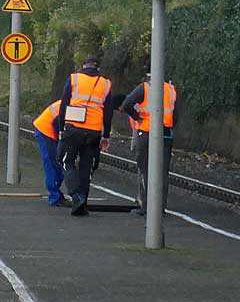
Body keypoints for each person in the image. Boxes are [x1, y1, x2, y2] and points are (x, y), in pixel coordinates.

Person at [56, 55, 118, 217]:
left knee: (65, 160)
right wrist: (106, 135)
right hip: (94, 131)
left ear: (84, 65)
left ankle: (76, 196)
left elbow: (64, 105)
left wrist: (61, 128)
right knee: (87, 166)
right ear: (98, 68)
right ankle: (83, 202)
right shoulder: (105, 84)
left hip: (73, 128)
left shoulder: (74, 79)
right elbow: (108, 113)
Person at [120, 68, 180, 217]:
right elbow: (176, 114)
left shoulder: (145, 88)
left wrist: (138, 118)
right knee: (162, 171)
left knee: (145, 169)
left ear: (149, 75)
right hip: (166, 132)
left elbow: (127, 104)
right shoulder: (171, 90)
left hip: (147, 131)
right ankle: (160, 207)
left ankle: (146, 206)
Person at [32, 99, 66, 207]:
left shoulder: (75, 101)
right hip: (45, 130)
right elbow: (56, 123)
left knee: (56, 163)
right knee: (52, 163)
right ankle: (54, 196)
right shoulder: (73, 105)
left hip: (48, 127)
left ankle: (55, 193)